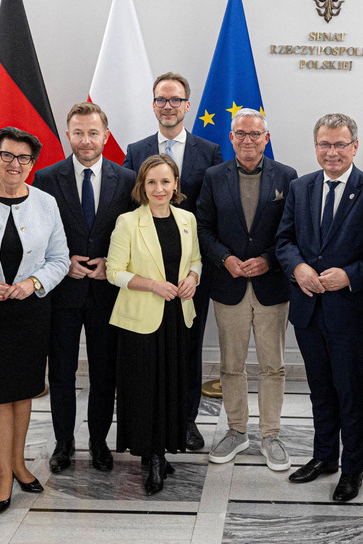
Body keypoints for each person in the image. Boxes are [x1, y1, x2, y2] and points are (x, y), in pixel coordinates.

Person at [275, 113, 363, 502]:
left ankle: (352, 470)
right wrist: (299, 267)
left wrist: (350, 275)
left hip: (350, 312)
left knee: (350, 392)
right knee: (319, 390)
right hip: (308, 309)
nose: (332, 152)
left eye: (340, 144)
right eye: (325, 144)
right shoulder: (300, 187)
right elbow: (284, 240)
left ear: (355, 147)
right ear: (316, 147)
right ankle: (324, 457)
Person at [0, 127, 68, 513]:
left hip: (31, 311)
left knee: (23, 390)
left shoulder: (46, 203)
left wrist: (35, 282)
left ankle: (20, 463)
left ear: (33, 164)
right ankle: (3, 474)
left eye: (23, 158)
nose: (15, 164)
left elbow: (60, 259)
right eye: (7, 156)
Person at [33, 102, 136, 474]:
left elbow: (134, 233)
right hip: (63, 291)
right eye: (78, 132)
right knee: (60, 371)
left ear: (106, 136)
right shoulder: (46, 178)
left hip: (107, 290)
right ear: (68, 134)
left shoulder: (127, 179)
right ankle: (64, 442)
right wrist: (64, 263)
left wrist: (112, 263)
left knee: (104, 372)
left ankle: (98, 442)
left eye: (93, 133)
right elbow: (38, 232)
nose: (86, 140)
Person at [124, 72, 222, 451]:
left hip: (191, 271)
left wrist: (197, 270)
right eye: (161, 100)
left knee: (187, 347)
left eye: (175, 100)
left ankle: (186, 421)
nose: (168, 106)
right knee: (149, 346)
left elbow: (209, 212)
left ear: (187, 105)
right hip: (147, 271)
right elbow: (130, 206)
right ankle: (150, 418)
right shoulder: (136, 150)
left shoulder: (209, 151)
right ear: (153, 105)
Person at [196, 109, 298, 471]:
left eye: (255, 134)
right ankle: (236, 431)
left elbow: (291, 232)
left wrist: (269, 260)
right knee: (231, 365)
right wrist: (225, 259)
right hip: (230, 285)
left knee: (273, 366)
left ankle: (271, 435)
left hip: (271, 287)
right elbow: (203, 228)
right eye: (240, 134)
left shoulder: (287, 177)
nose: (247, 140)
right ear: (231, 137)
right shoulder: (213, 176)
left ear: (266, 138)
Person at [106, 153, 202, 495]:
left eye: (165, 181)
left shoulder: (187, 218)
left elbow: (196, 259)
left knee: (173, 385)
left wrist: (193, 276)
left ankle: (163, 446)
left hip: (178, 315)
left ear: (176, 184)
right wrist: (153, 285)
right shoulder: (128, 222)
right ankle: (153, 456)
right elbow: (113, 271)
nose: (159, 189)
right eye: (151, 182)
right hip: (141, 320)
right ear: (141, 187)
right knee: (146, 387)